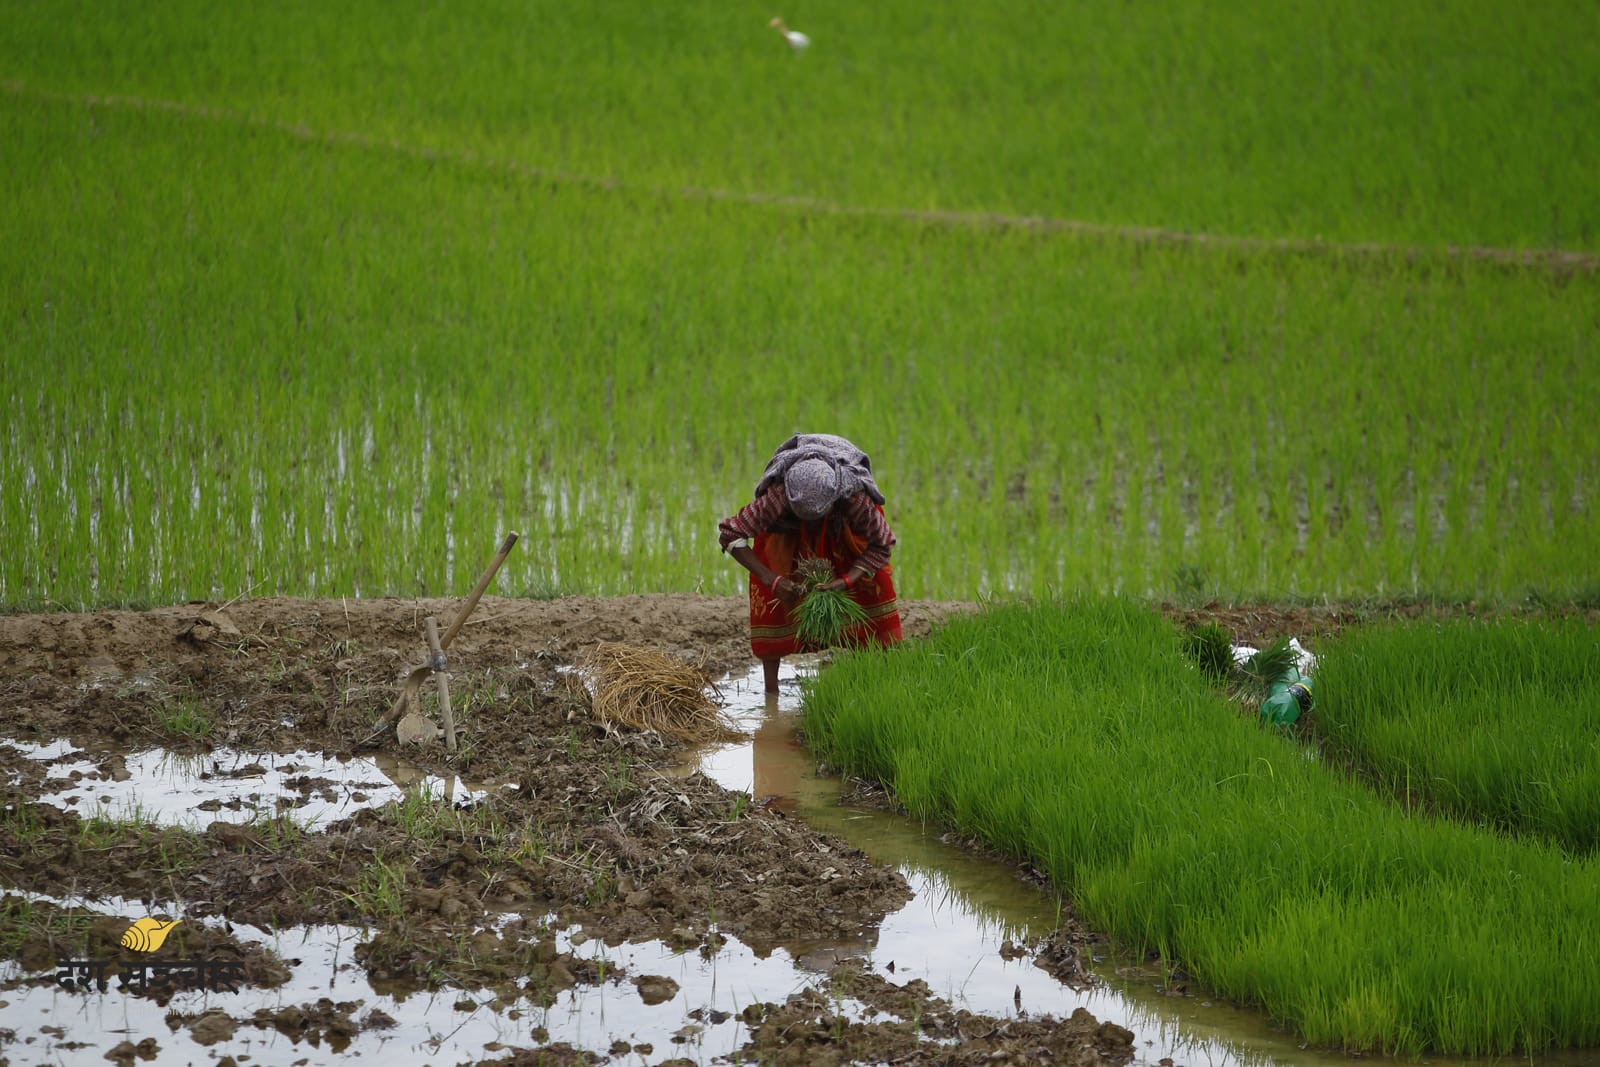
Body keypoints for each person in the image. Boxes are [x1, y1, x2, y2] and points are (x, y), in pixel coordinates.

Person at [718, 433, 903, 692]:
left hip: (841, 529)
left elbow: (882, 543)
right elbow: (730, 534)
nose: (813, 526)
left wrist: (847, 579)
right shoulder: (778, 497)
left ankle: (884, 680)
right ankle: (771, 692)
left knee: (873, 588)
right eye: (807, 519)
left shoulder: (853, 497)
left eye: (817, 519)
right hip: (788, 531)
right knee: (771, 597)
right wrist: (773, 581)